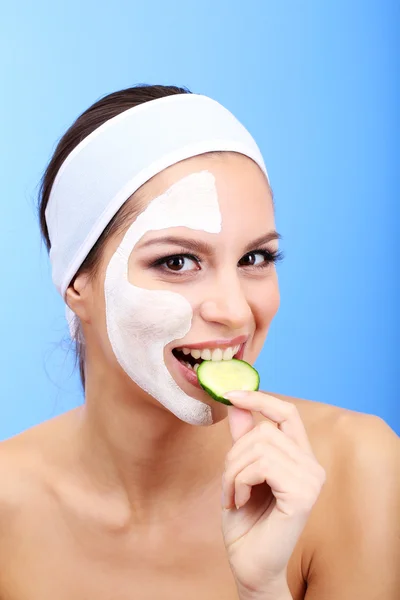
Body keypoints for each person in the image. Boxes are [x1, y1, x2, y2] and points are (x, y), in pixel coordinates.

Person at [0, 85, 398, 600]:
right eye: (177, 262)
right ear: (77, 284)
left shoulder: (357, 472)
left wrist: (263, 589)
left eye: (255, 259)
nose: (234, 311)